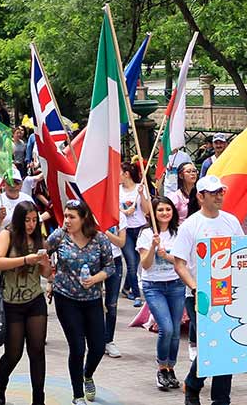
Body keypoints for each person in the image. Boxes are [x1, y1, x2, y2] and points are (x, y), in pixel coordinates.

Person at [172, 175, 244, 405]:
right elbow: (179, 263)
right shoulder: (190, 226)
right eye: (213, 193)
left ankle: (219, 399)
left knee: (226, 344)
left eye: (221, 192)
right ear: (200, 196)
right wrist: (195, 289)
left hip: (228, 294)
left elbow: (242, 255)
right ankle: (193, 385)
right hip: (199, 296)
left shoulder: (231, 221)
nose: (219, 196)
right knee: (211, 343)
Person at [46, 200, 116, 405]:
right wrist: (49, 277)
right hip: (65, 298)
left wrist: (95, 279)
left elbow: (110, 267)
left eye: (72, 217)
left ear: (84, 218)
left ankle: (88, 375)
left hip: (93, 298)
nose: (67, 220)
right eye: (65, 216)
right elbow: (42, 254)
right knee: (77, 347)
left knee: (97, 346)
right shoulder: (59, 236)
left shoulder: (99, 238)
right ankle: (78, 395)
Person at [0, 201, 53, 405]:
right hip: (11, 303)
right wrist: (26, 259)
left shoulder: (39, 239)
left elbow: (46, 274)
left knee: (37, 352)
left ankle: (38, 398)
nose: (31, 224)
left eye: (35, 220)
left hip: (35, 300)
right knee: (13, 353)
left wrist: (45, 265)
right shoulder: (7, 235)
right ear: (19, 219)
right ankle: (0, 383)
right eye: (27, 220)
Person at [138, 196, 185, 391]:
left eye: (168, 209)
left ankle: (170, 368)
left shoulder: (180, 232)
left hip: (176, 285)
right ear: (153, 214)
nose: (165, 213)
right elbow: (145, 265)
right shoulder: (146, 234)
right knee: (166, 328)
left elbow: (184, 261)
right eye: (160, 210)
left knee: (175, 330)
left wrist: (167, 256)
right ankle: (161, 368)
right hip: (154, 286)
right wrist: (152, 247)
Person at [119, 161, 150, 307]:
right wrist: (124, 212)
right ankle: (137, 294)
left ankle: (126, 288)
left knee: (135, 262)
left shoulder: (140, 188)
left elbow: (147, 210)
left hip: (140, 229)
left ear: (126, 174)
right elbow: (113, 209)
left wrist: (142, 195)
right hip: (125, 230)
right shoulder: (117, 190)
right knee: (131, 263)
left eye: (119, 172)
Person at [102, 200, 127, 359]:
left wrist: (105, 231)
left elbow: (121, 242)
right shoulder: (90, 214)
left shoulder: (120, 216)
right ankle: (94, 338)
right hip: (94, 261)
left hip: (114, 261)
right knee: (92, 302)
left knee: (111, 303)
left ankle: (108, 340)